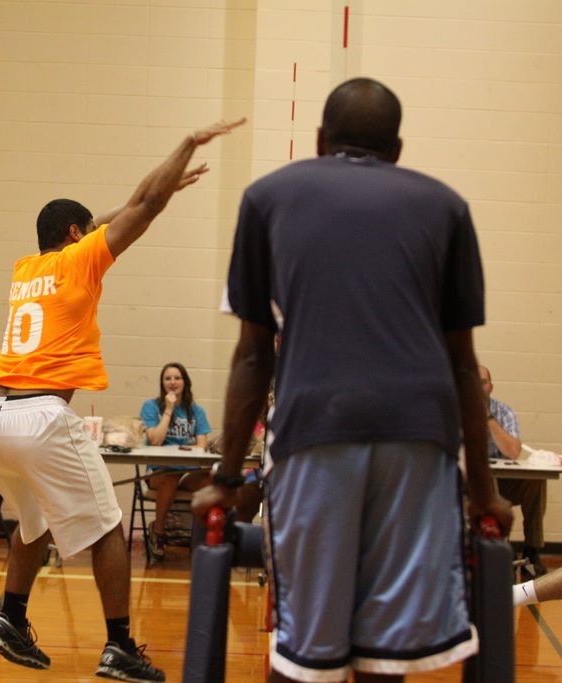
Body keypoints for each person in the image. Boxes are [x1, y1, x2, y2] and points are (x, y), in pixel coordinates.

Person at [194, 78, 512, 683]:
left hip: (316, 431)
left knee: (304, 654)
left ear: (319, 140)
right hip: (420, 437)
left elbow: (253, 356)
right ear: (397, 149)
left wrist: (227, 480)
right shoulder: (447, 206)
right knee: (384, 653)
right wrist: (483, 491)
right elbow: (463, 365)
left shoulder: (266, 197)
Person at [0, 117, 245, 683]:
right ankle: (119, 645)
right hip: (39, 417)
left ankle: (9, 617)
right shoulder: (81, 259)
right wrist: (187, 145)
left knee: (33, 522)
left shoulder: (26, 268)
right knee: (108, 530)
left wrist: (146, 194)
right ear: (76, 235)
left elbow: (104, 218)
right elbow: (144, 204)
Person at [139, 362, 211, 559]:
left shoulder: (196, 411)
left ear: (185, 382)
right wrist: (169, 409)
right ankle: (158, 532)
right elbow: (156, 440)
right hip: (159, 471)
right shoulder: (151, 407)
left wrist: (186, 449)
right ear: (162, 383)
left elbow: (202, 445)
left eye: (177, 378)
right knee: (170, 477)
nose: (172, 382)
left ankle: (203, 537)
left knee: (213, 481)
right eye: (167, 378)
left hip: (187, 472)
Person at [481, 364, 547, 576]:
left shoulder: (504, 411)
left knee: (535, 481)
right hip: (471, 484)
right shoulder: (455, 410)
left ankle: (532, 549)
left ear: (491, 387)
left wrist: (487, 417)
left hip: (502, 484)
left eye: (482, 383)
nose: (478, 388)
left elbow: (513, 452)